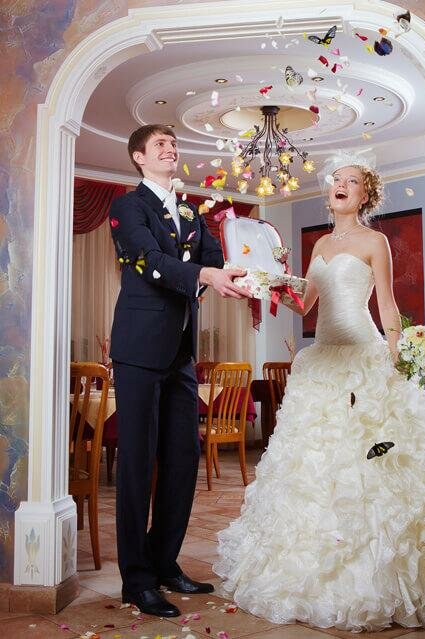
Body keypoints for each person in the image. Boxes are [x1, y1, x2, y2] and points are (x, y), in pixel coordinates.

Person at [213, 151, 425, 632]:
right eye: (336, 179)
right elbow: (305, 303)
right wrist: (269, 283)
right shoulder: (321, 243)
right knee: (312, 465)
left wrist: (397, 358)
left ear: (365, 195)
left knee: (364, 460)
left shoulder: (375, 241)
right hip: (321, 361)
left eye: (351, 181)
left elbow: (387, 306)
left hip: (361, 355)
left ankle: (369, 570)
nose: (340, 185)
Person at [109, 124, 249, 617]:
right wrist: (204, 274)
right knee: (136, 463)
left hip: (180, 353)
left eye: (173, 144)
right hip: (138, 350)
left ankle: (164, 562)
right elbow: (147, 259)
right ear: (139, 157)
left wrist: (244, 270)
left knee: (183, 458)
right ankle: (136, 580)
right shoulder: (128, 207)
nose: (171, 149)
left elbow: (214, 260)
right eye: (161, 145)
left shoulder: (190, 211)